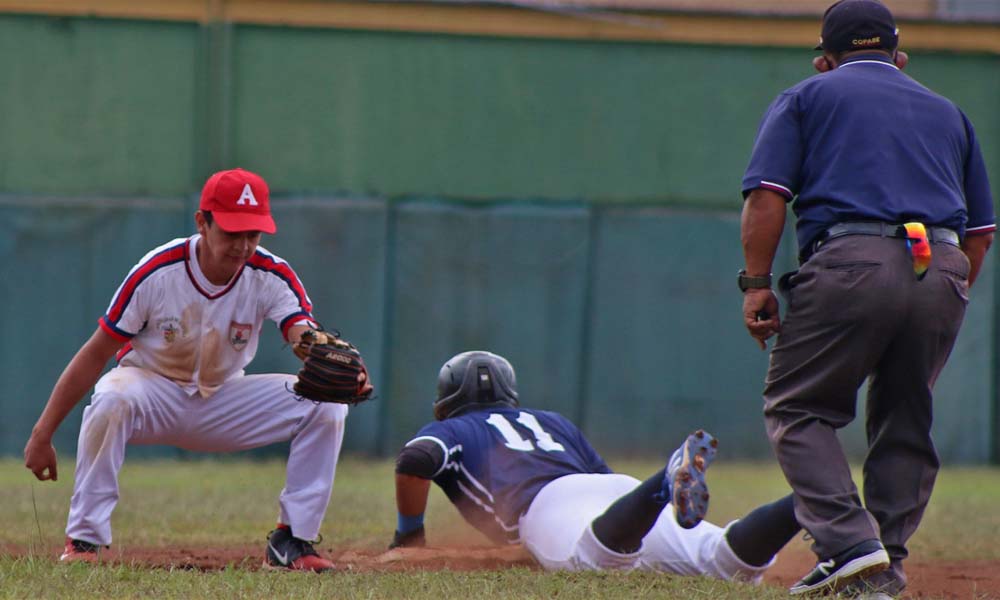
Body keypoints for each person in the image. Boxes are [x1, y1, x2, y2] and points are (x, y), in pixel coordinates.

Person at [739, 0, 995, 596]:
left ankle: (852, 545)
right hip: (941, 260)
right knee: (906, 415)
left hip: (851, 255)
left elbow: (767, 196)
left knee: (799, 409)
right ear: (899, 57)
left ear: (825, 60)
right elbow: (981, 232)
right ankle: (886, 565)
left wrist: (756, 284)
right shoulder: (948, 112)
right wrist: (946, 292)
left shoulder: (807, 95)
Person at [23, 168, 354, 572]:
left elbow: (300, 329)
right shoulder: (158, 271)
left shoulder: (269, 273)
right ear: (202, 222)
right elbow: (96, 354)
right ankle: (84, 541)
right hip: (151, 393)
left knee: (326, 404)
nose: (243, 245)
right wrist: (43, 433)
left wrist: (322, 354)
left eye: (254, 233)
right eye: (232, 231)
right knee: (112, 396)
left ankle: (292, 542)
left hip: (224, 401)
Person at [389, 351, 802, 584]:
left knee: (593, 561)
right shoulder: (551, 421)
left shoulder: (455, 428)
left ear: (446, 401)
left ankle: (664, 481)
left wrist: (410, 533)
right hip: (616, 493)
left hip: (549, 506)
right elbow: (603, 481)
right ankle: (809, 498)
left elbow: (415, 459)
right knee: (724, 562)